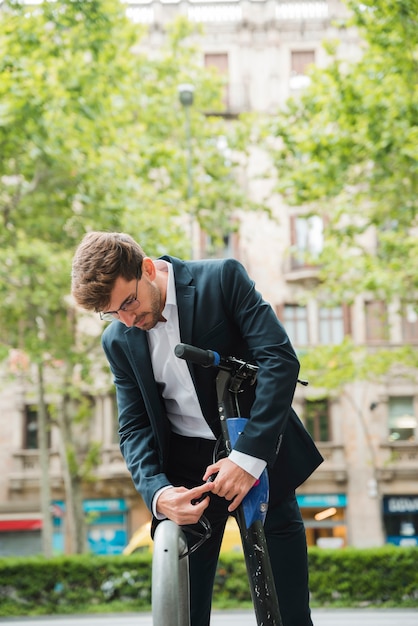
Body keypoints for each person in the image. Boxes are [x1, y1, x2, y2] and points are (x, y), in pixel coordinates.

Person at [71, 231, 323, 626]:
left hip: (254, 453)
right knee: (183, 617)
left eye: (129, 303)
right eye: (112, 313)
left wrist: (248, 457)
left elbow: (280, 361)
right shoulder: (118, 340)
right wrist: (158, 494)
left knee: (289, 613)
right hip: (186, 478)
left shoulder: (222, 279)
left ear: (148, 269)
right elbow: (133, 426)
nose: (128, 321)